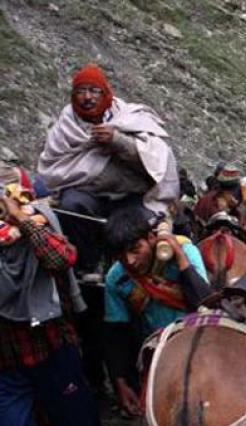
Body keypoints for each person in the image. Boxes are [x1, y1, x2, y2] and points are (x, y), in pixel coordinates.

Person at [37, 63, 179, 279]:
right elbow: (53, 168)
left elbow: (155, 159)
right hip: (90, 195)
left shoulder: (130, 117)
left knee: (141, 223)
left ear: (106, 93)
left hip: (130, 196)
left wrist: (118, 141)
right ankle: (87, 266)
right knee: (70, 206)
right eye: (80, 91)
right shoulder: (65, 127)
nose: (87, 97)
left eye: (94, 91)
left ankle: (130, 272)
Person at [0, 165, 100, 426]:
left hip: (50, 346)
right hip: (7, 358)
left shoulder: (38, 223)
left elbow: (60, 258)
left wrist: (22, 220)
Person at [102, 206, 210, 416]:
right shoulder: (117, 278)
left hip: (197, 342)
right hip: (156, 350)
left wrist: (179, 257)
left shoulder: (186, 252)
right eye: (121, 256)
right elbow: (116, 333)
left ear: (151, 238)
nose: (130, 261)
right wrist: (120, 383)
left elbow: (205, 301)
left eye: (135, 249)